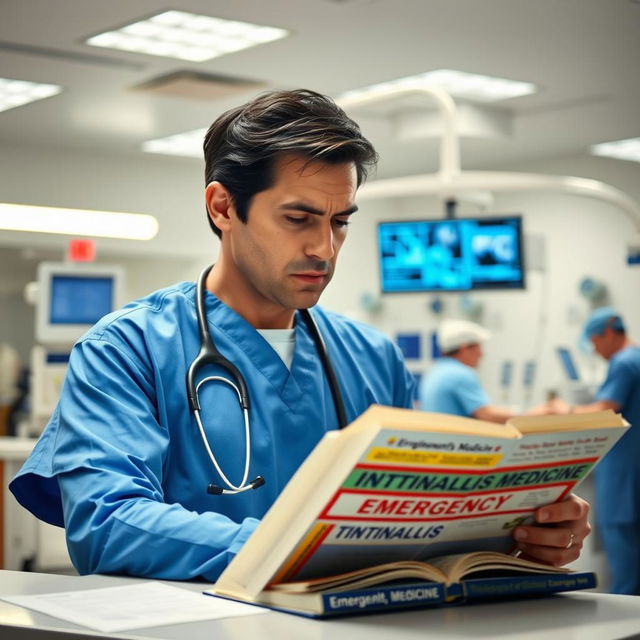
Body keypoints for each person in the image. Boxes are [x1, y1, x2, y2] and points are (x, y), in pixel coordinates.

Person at [10, 89, 589, 581]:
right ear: (222, 207)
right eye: (299, 218)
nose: (324, 249)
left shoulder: (371, 358)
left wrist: (522, 532)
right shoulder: (127, 348)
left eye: (339, 222)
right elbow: (107, 524)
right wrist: (303, 550)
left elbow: (419, 522)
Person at [548, 307, 640, 594]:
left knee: (626, 572)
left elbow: (605, 409)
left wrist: (564, 410)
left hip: (623, 477)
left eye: (595, 342)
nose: (596, 350)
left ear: (609, 333)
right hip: (631, 470)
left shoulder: (624, 362)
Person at [420, 319, 519, 423]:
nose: (482, 354)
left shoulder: (435, 371)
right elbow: (487, 415)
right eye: (479, 347)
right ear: (465, 348)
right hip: (456, 438)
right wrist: (528, 417)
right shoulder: (459, 374)